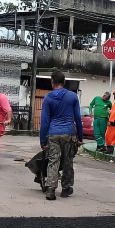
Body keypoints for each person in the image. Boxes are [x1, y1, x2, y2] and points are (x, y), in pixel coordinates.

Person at [40, 70, 83, 201]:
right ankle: (66, 188)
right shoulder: (72, 96)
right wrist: (80, 137)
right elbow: (78, 118)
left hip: (53, 134)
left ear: (52, 82)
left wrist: (43, 140)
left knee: (53, 161)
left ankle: (51, 190)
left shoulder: (48, 98)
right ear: (64, 82)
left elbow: (45, 122)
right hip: (69, 133)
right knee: (68, 161)